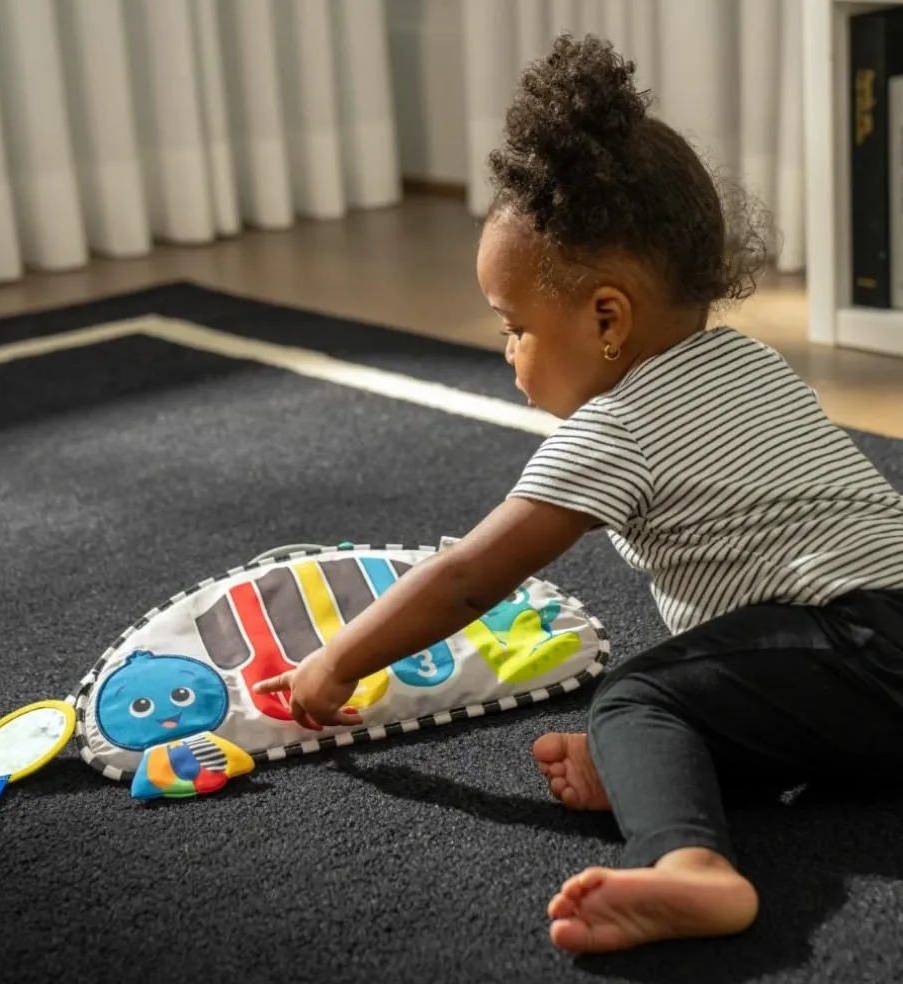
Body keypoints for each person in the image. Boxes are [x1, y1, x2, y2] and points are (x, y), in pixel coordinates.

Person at [254, 34, 903, 954]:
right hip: (870, 656)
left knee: (639, 697)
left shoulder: (617, 428)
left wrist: (336, 662)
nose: (507, 352)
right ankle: (655, 774)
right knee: (706, 699)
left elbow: (468, 578)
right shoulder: (751, 361)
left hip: (856, 642)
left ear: (607, 318)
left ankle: (687, 864)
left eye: (514, 327)